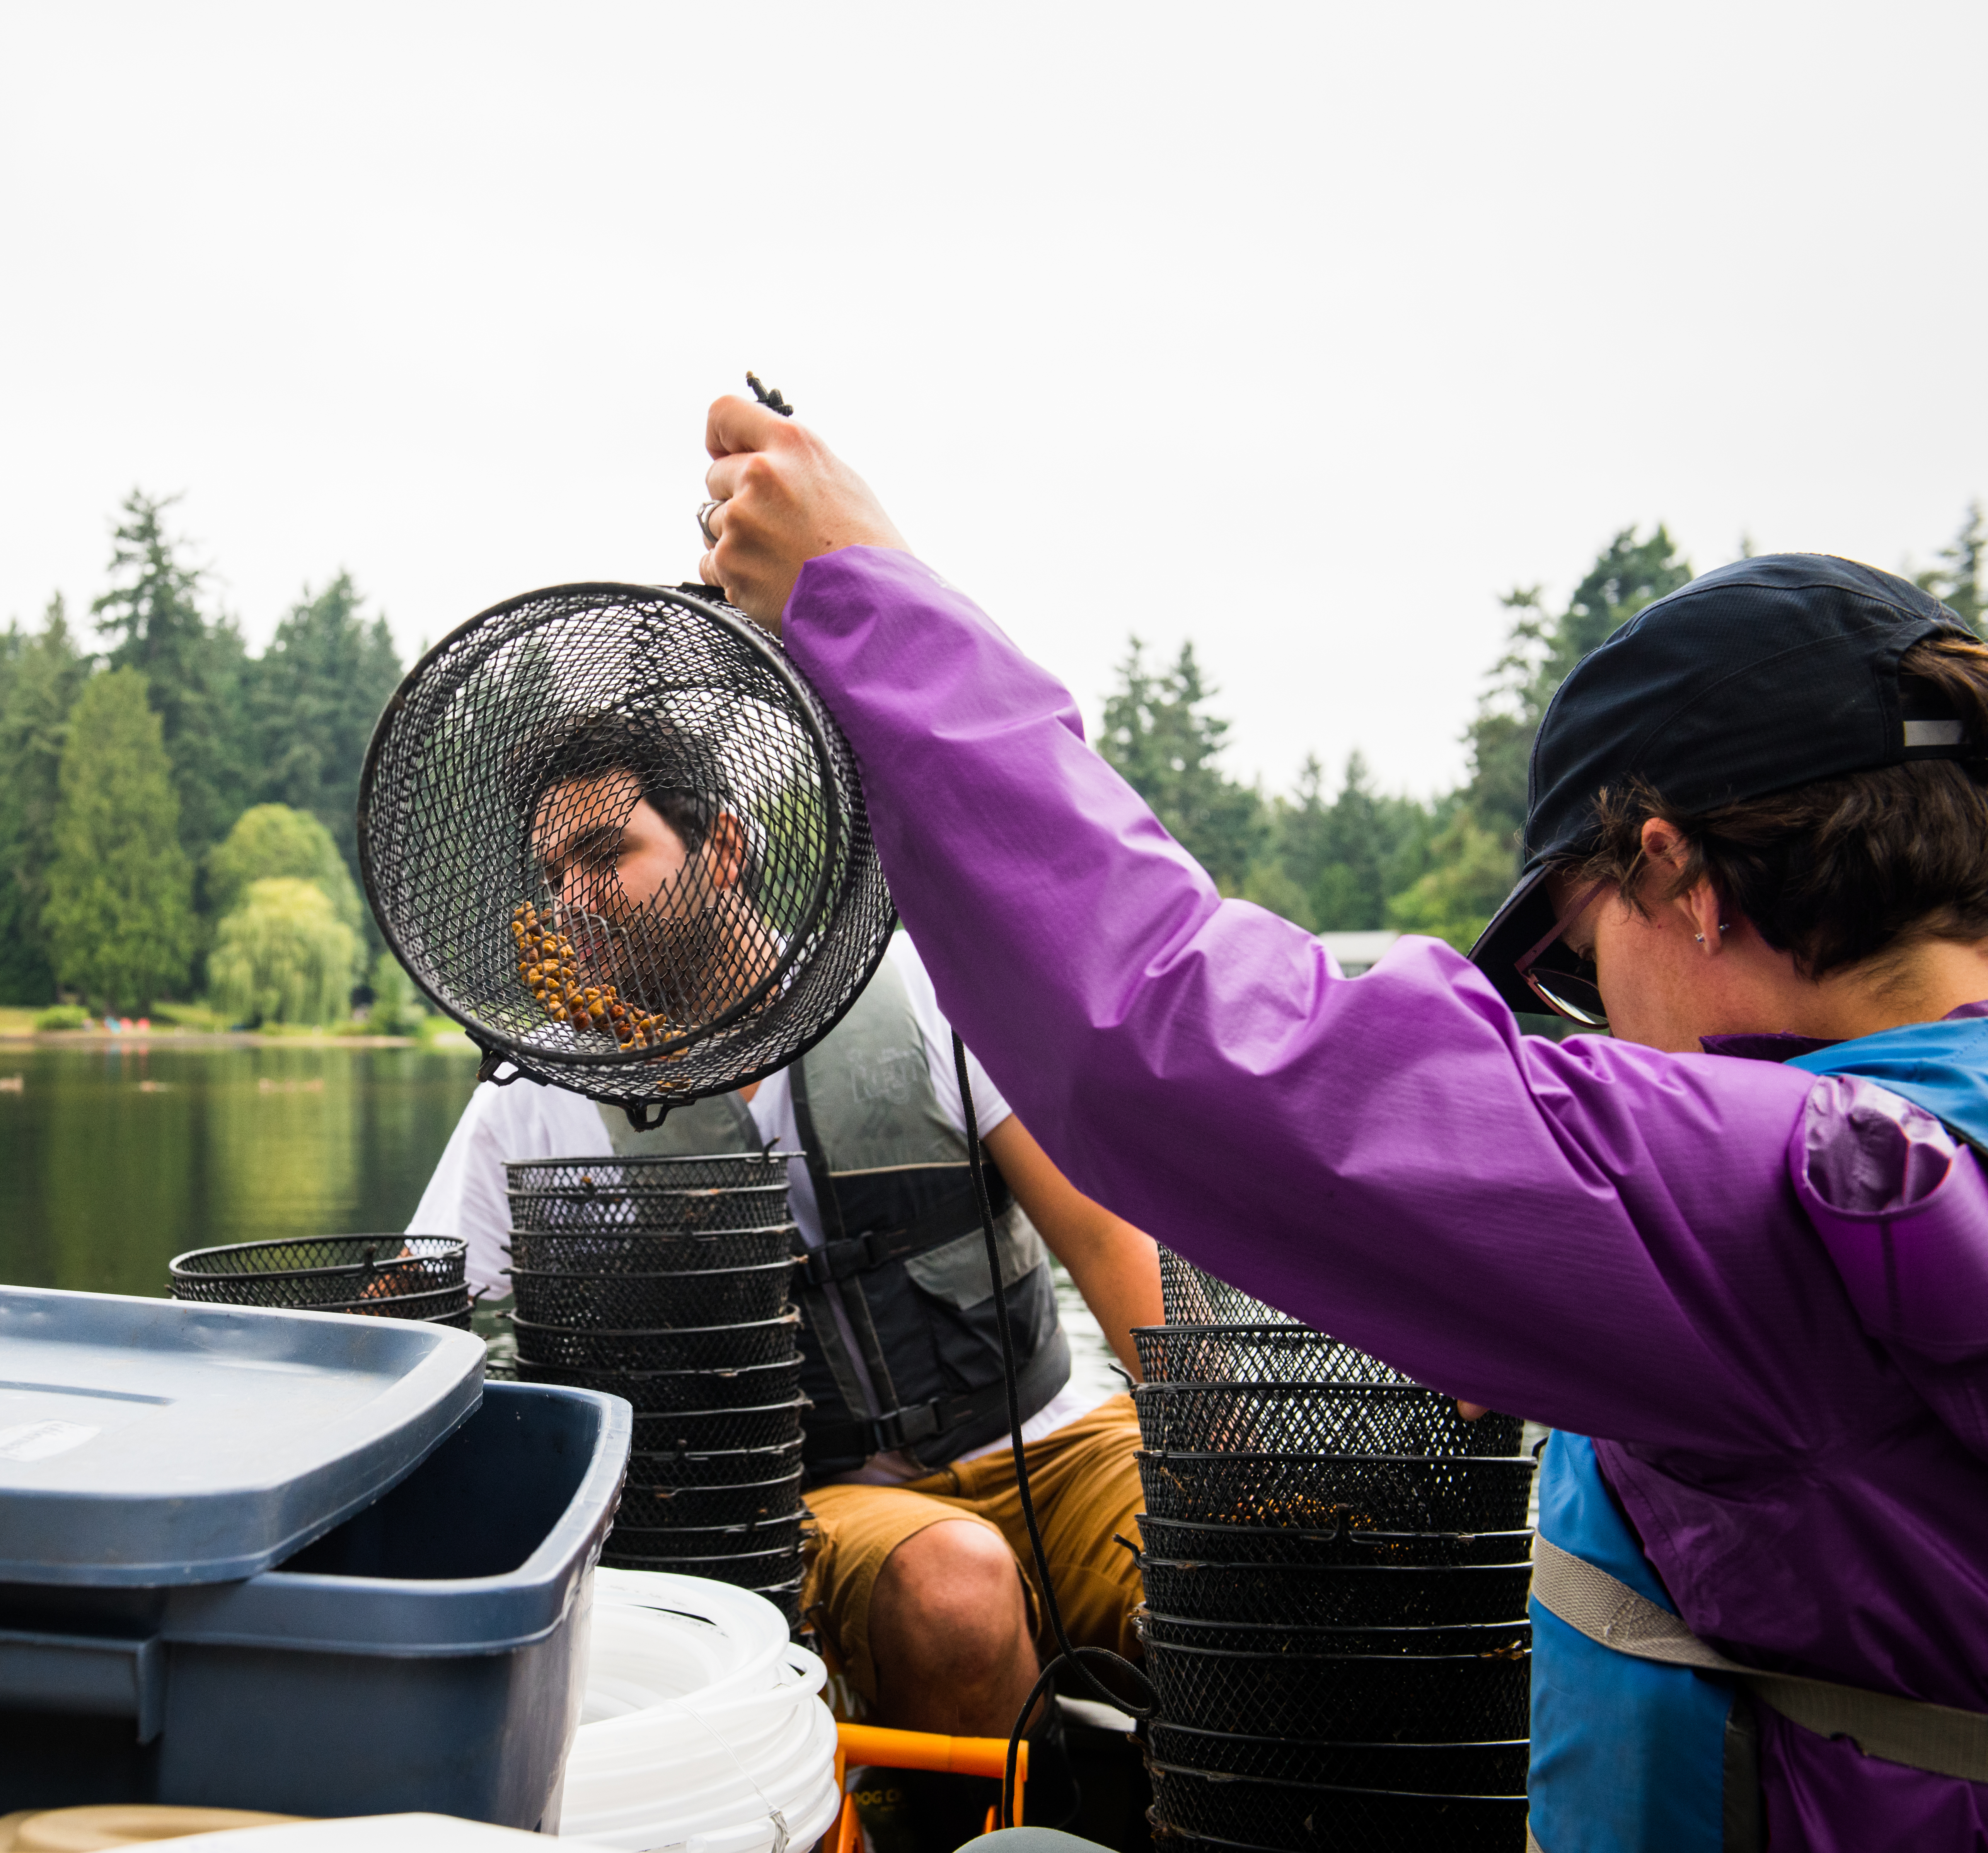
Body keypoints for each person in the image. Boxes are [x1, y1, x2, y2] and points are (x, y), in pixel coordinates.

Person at [686, 394, 1988, 1850]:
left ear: (1676, 873)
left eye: (1568, 956)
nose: (1594, 1013)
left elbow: (1166, 1041)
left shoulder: (1813, 1190)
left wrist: (854, 590)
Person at [406, 706, 1166, 1757]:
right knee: (955, 1585)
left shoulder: (928, 989)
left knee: (1248, 1561)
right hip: (808, 1506)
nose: (572, 898)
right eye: (554, 872)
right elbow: (421, 1314)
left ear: (721, 848)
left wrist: (1221, 1451)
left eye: (605, 854)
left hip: (1055, 1442)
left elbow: (1100, 1237)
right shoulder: (539, 1093)